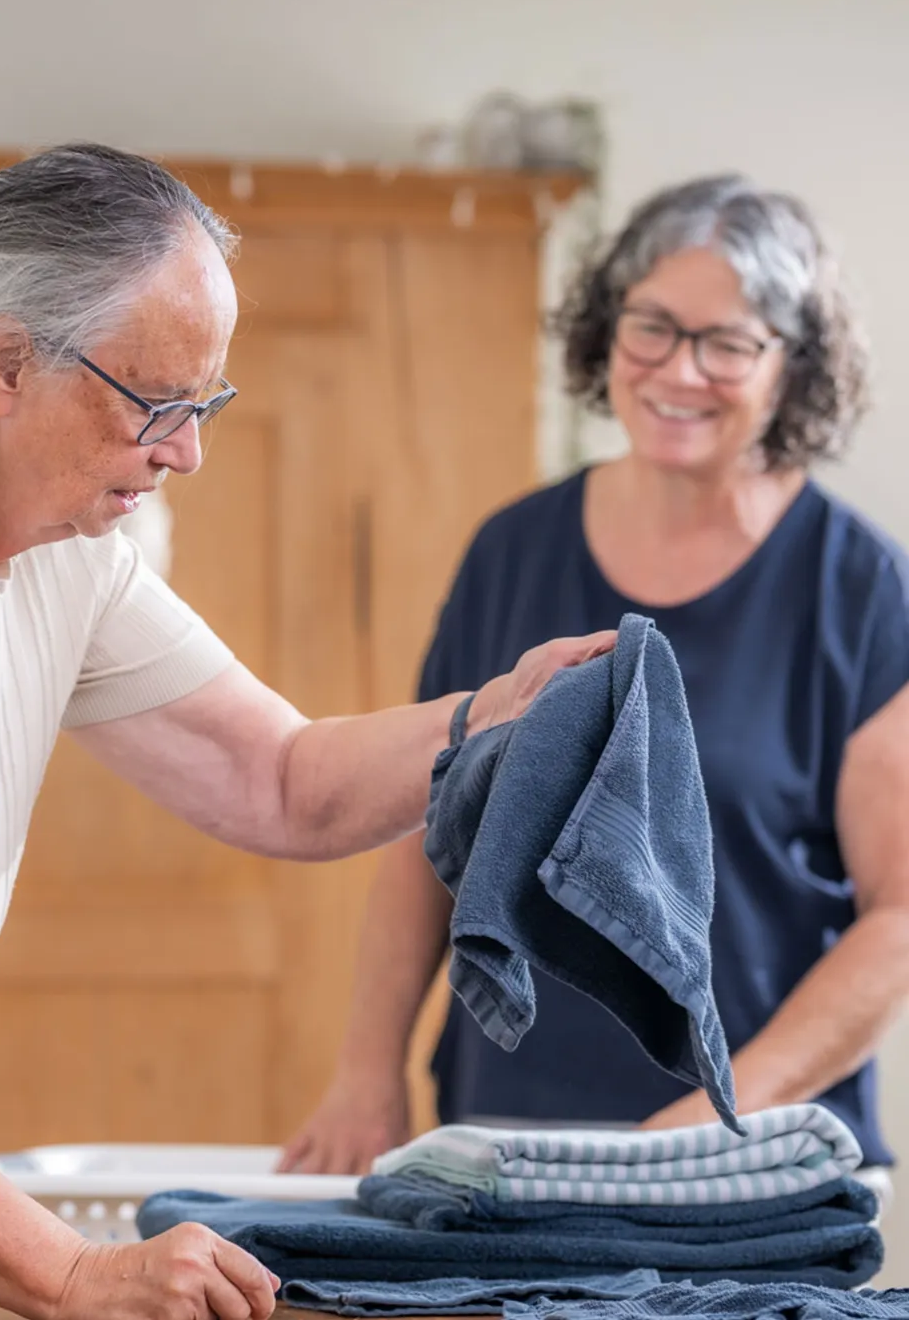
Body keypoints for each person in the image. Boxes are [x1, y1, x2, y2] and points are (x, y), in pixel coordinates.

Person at [0, 143, 614, 1320]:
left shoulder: (61, 550)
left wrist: (493, 717)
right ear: (3, 365)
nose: (186, 450)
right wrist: (76, 1272)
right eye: (157, 403)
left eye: (207, 403)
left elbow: (281, 779)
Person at [281, 173, 909, 1180]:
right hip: (507, 1137)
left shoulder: (860, 588)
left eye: (729, 342)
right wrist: (366, 1069)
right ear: (606, 330)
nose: (680, 369)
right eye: (652, 325)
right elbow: (424, 828)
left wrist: (717, 1112)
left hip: (748, 1157)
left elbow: (900, 915)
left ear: (793, 366)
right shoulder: (512, 552)